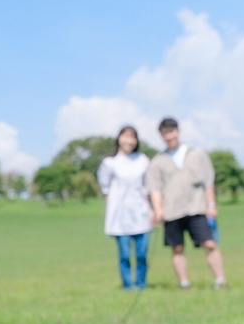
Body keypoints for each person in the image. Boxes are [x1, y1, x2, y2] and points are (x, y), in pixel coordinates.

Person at [145, 117, 227, 289]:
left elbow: (208, 181)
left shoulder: (197, 153)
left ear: (178, 131)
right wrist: (157, 210)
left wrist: (211, 205)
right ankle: (184, 283)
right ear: (161, 136)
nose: (169, 136)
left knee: (209, 244)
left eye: (171, 132)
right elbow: (155, 189)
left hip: (196, 207)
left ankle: (220, 280)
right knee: (177, 248)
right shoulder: (157, 161)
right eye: (164, 133)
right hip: (171, 210)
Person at [96, 125, 153, 289]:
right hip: (120, 215)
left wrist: (152, 209)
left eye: (132, 137)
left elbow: (148, 186)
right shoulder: (110, 163)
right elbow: (105, 188)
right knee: (125, 254)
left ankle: (141, 283)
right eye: (125, 136)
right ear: (118, 139)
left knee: (142, 253)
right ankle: (128, 284)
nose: (129, 141)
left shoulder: (142, 160)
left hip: (141, 212)